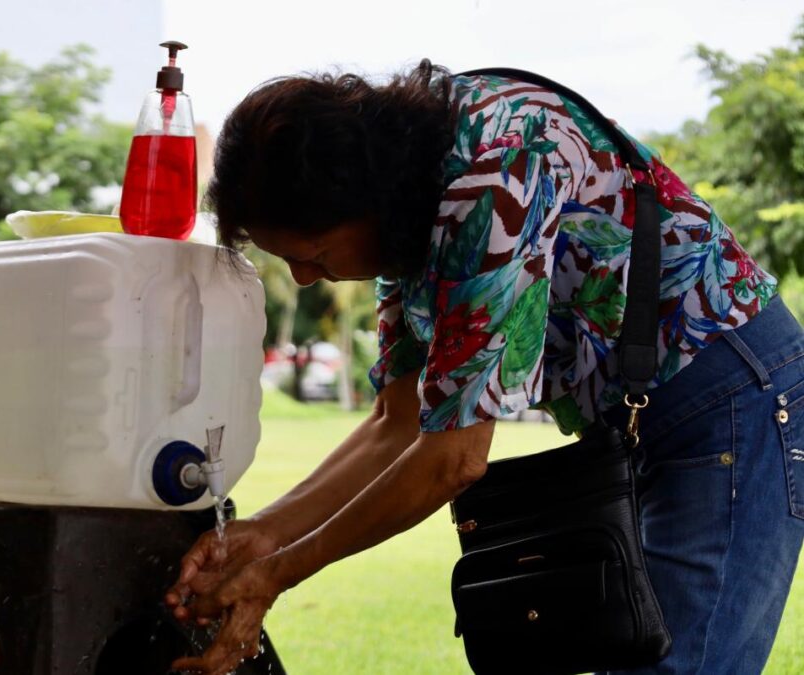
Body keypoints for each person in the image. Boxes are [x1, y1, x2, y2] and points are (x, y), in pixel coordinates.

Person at [164, 61, 804, 675]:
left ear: (362, 204)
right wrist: (264, 534)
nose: (303, 280)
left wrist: (278, 574)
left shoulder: (490, 180)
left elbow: (454, 459)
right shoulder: (407, 199)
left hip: (734, 396)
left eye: (315, 255)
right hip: (644, 418)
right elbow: (398, 420)